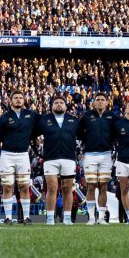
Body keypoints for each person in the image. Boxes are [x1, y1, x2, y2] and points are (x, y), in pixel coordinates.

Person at [0, 90, 39, 225]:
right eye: (16, 98)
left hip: (23, 155)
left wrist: (30, 137)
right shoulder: (4, 118)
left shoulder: (31, 115)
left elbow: (41, 128)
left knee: (24, 186)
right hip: (7, 154)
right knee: (7, 186)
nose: (18, 100)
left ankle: (26, 217)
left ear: (24, 100)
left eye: (21, 98)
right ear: (10, 101)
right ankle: (8, 217)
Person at [39, 96, 79, 225]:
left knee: (67, 188)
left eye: (61, 102)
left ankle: (67, 217)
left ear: (66, 106)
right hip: (50, 158)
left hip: (68, 158)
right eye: (56, 102)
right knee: (52, 188)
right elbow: (32, 133)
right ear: (52, 106)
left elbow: (84, 135)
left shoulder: (74, 120)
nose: (59, 104)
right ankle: (50, 218)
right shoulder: (44, 120)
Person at [77, 92, 116, 225]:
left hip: (106, 154)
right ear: (94, 102)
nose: (100, 102)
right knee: (91, 186)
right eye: (98, 100)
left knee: (103, 186)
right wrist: (87, 140)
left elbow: (117, 131)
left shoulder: (112, 116)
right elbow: (79, 131)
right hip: (90, 154)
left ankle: (101, 217)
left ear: (107, 102)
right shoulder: (87, 116)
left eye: (102, 100)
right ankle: (91, 218)